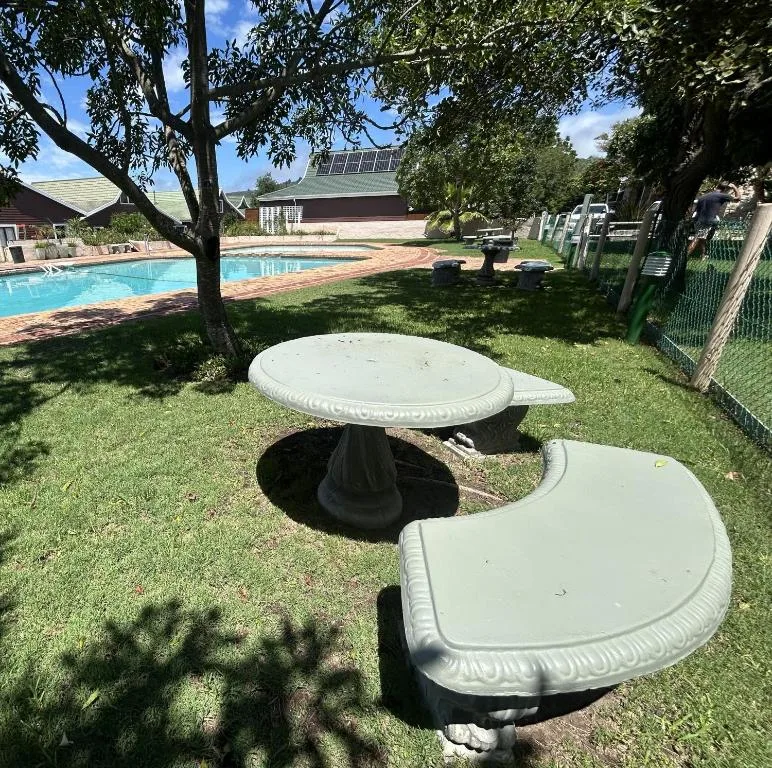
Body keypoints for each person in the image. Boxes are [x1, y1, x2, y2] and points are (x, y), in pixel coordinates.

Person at [687, 182, 740, 259]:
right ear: (724, 189)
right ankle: (684, 256)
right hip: (707, 221)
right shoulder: (721, 196)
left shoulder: (703, 197)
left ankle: (703, 255)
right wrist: (735, 187)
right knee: (698, 237)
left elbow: (696, 210)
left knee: (702, 238)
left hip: (697, 220)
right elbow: (738, 199)